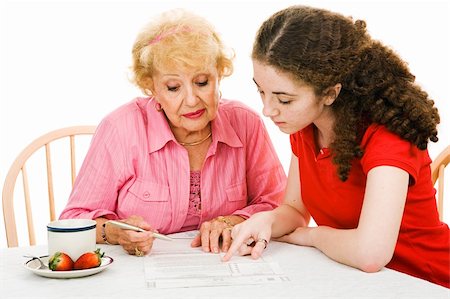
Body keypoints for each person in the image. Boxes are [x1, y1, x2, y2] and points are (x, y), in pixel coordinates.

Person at [223, 5, 449, 288]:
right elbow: (294, 211)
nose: (268, 110)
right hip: (360, 282)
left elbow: (370, 254)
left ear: (330, 92)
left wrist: (312, 236)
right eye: (261, 91)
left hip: (426, 283)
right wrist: (266, 220)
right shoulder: (304, 127)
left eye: (284, 99)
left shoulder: (387, 136)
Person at [60, 9, 286, 257]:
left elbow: (279, 206)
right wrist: (114, 232)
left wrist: (232, 221)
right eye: (173, 87)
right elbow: (73, 219)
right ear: (151, 87)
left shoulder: (246, 123)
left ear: (219, 75)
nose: (191, 100)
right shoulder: (121, 128)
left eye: (202, 82)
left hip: (225, 268)